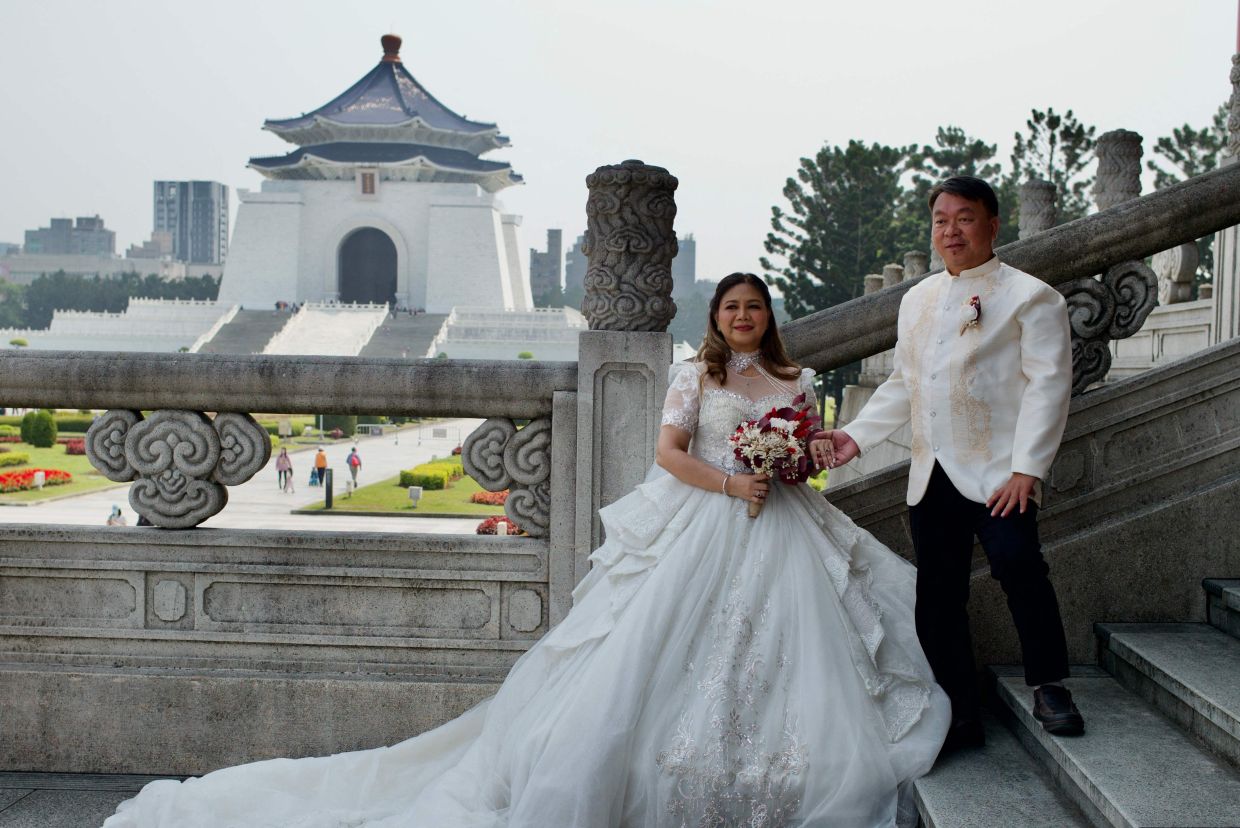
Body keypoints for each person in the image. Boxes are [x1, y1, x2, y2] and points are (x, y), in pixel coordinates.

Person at [104, 273, 949, 827]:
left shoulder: (797, 383)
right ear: (715, 320)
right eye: (730, 308)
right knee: (652, 653)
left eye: (753, 308)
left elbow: (809, 446)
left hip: (785, 525)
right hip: (709, 518)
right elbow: (668, 455)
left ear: (769, 317)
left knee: (791, 651)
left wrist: (793, 462)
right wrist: (736, 483)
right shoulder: (699, 377)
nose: (742, 318)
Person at [812, 176, 1082, 753]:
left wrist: (1027, 469)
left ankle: (1050, 684)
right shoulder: (918, 298)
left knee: (1020, 567)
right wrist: (855, 436)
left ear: (992, 224)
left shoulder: (1033, 297)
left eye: (964, 217)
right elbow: (905, 382)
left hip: (1000, 473)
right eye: (940, 219)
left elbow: (1048, 388)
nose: (950, 230)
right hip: (932, 473)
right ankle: (958, 711)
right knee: (937, 595)